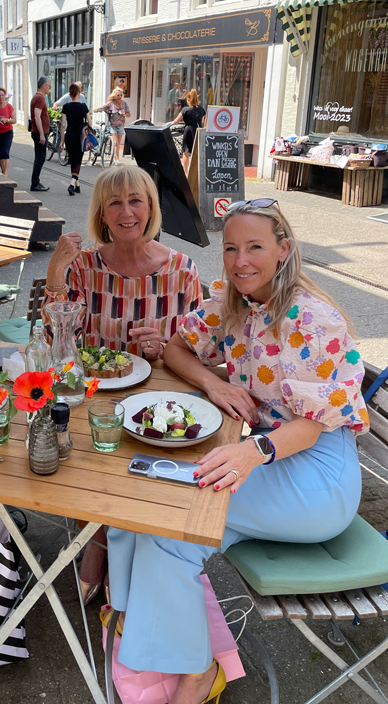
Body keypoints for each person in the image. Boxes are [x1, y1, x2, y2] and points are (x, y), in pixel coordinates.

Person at [108, 200, 368, 704]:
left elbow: (312, 427)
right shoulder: (233, 302)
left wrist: (252, 453)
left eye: (254, 247)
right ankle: (140, 624)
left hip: (315, 478)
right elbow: (177, 347)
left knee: (159, 498)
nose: (240, 260)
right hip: (271, 457)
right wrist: (214, 383)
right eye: (231, 248)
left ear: (283, 250)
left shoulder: (311, 317)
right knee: (163, 532)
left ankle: (187, 666)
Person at [43, 163, 203, 603]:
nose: (126, 211)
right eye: (115, 202)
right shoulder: (85, 267)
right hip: (92, 395)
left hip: (159, 398)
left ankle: (120, 548)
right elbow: (59, 336)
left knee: (141, 472)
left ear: (151, 207)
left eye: (136, 200)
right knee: (80, 459)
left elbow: (202, 346)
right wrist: (57, 271)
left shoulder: (183, 271)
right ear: (101, 212)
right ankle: (96, 545)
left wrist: (165, 345)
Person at [60, 82, 90, 196]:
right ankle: (72, 184)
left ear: (70, 94)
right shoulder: (83, 107)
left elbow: (63, 125)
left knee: (73, 159)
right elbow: (89, 122)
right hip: (80, 136)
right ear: (79, 93)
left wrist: (62, 141)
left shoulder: (66, 107)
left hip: (69, 136)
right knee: (78, 160)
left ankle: (77, 186)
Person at [171, 87, 206, 175]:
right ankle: (196, 173)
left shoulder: (185, 110)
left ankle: (186, 172)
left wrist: (170, 124)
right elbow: (202, 121)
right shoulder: (201, 109)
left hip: (188, 130)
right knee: (197, 152)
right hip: (198, 131)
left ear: (189, 99)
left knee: (186, 152)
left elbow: (176, 121)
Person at [95, 87, 130, 163]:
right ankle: (116, 159)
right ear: (114, 96)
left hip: (121, 125)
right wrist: (96, 110)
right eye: (118, 95)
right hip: (113, 125)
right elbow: (103, 107)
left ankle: (115, 157)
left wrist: (124, 114)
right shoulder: (111, 103)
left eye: (121, 95)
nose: (120, 96)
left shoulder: (124, 104)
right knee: (116, 142)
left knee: (117, 143)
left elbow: (129, 114)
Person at [30, 76, 51, 192]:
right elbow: (37, 116)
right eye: (49, 86)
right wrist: (42, 135)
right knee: (40, 158)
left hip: (39, 132)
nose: (50, 89)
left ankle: (36, 182)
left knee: (40, 158)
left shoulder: (38, 97)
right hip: (39, 133)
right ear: (44, 86)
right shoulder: (39, 98)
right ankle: (34, 184)